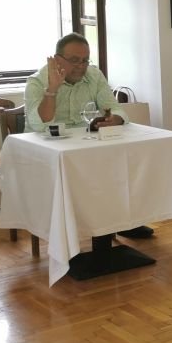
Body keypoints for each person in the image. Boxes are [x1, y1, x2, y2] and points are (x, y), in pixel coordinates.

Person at [25, 33, 150, 238]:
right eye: (74, 60)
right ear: (57, 59)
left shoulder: (94, 75)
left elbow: (115, 108)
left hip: (84, 144)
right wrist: (53, 89)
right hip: (47, 150)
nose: (81, 66)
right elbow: (39, 125)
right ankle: (71, 229)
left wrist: (115, 119)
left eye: (85, 60)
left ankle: (123, 220)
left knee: (122, 161)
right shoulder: (37, 81)